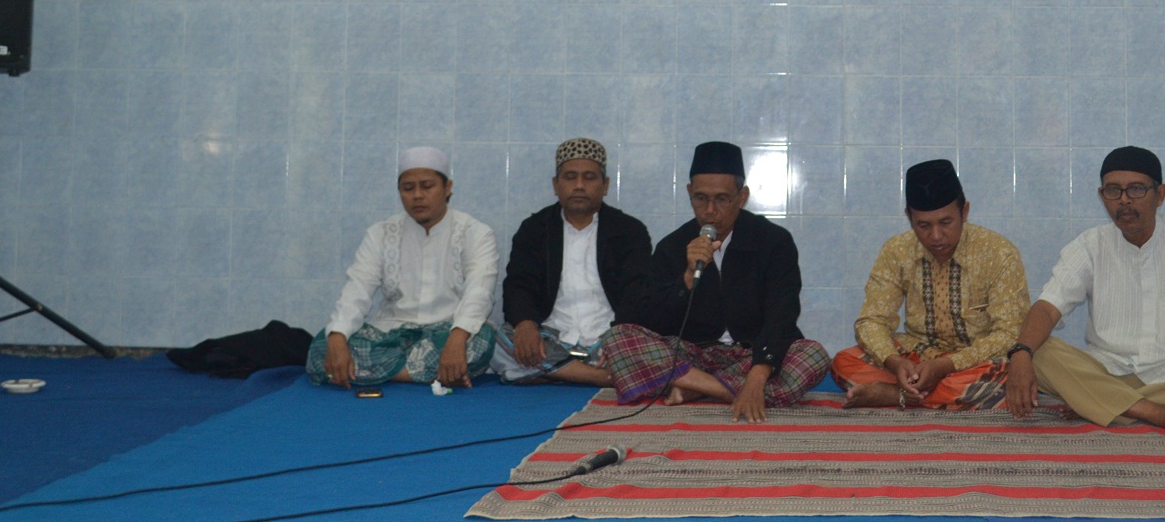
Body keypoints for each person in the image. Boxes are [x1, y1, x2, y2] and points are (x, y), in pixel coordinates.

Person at [1004, 145, 1165, 431]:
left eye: (1137, 189)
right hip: (1105, 370)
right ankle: (1155, 412)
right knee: (1038, 352)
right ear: (1101, 196)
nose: (1124, 200)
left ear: (1161, 194)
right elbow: (1047, 309)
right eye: (1113, 191)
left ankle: (1102, 403)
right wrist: (1021, 353)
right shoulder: (1089, 246)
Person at [601, 141, 829, 422]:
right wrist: (686, 278)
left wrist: (758, 374)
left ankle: (696, 389)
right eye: (700, 198)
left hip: (752, 355)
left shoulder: (773, 241)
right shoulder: (672, 247)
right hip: (692, 357)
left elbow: (783, 315)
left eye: (722, 199)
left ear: (742, 197)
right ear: (689, 193)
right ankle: (720, 389)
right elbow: (648, 320)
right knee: (617, 338)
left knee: (813, 355)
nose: (709, 210)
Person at [833, 158, 1029, 409]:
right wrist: (894, 362)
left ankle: (896, 396)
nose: (935, 236)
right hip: (917, 356)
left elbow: (1010, 333)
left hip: (974, 359)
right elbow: (871, 320)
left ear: (965, 212)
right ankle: (928, 393)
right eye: (923, 225)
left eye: (946, 223)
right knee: (843, 362)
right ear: (909, 217)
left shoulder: (999, 253)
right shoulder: (897, 251)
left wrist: (947, 365)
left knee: (1009, 371)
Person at [306, 146, 498, 389]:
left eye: (427, 186)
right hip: (391, 333)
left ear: (447, 187)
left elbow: (479, 292)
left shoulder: (476, 233)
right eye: (408, 188)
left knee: (483, 338)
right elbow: (357, 288)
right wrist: (337, 337)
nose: (417, 195)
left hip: (447, 332)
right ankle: (438, 373)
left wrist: (458, 338)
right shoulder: (380, 233)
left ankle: (375, 372)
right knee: (322, 346)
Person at [490, 137, 653, 386]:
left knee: (655, 345)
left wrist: (618, 339)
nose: (579, 186)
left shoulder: (629, 231)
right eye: (570, 177)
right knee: (499, 339)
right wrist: (525, 324)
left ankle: (556, 372)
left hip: (606, 341)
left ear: (605, 185)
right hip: (551, 338)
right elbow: (518, 284)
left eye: (589, 177)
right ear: (556, 185)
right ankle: (601, 378)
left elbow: (637, 292)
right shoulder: (535, 229)